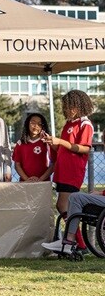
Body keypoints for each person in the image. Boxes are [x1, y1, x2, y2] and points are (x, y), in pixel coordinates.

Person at [42, 90, 96, 254]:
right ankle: (76, 242)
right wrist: (53, 143)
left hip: (73, 171)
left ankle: (75, 242)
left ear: (78, 106)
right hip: (63, 171)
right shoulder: (69, 124)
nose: (66, 110)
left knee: (63, 205)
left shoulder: (84, 125)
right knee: (64, 205)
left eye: (68, 106)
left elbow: (83, 148)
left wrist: (61, 142)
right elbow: (62, 149)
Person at [12, 113, 52, 183]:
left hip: (43, 182)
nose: (36, 126)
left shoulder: (47, 142)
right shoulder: (20, 143)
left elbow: (53, 164)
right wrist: (27, 179)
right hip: (25, 183)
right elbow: (17, 165)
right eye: (33, 123)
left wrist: (41, 179)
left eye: (39, 124)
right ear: (27, 124)